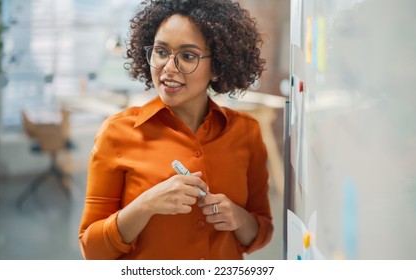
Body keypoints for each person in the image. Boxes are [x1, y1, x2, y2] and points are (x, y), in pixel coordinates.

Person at [78, 0, 274, 260]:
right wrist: (146, 205)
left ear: (217, 67)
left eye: (188, 56)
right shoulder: (116, 133)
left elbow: (261, 233)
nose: (169, 68)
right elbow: (92, 250)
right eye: (161, 51)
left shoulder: (246, 132)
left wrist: (238, 217)